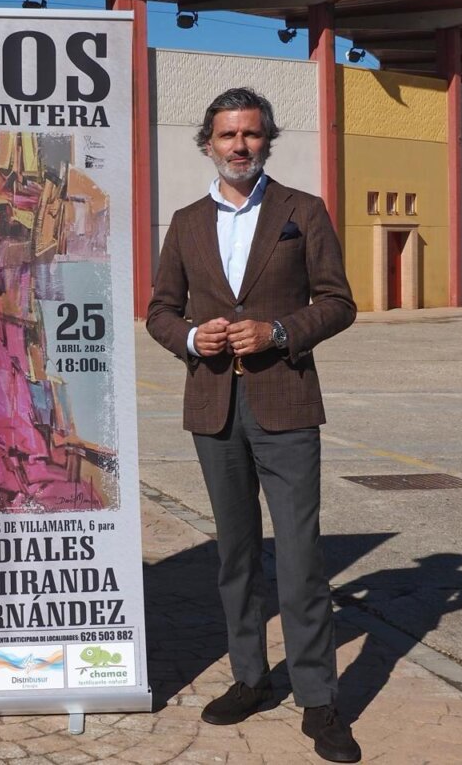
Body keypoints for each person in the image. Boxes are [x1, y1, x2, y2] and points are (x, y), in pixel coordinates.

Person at [146, 88, 360, 763]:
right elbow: (158, 309)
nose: (238, 145)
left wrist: (277, 330)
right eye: (226, 135)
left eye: (251, 134)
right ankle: (250, 677)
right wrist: (188, 339)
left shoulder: (303, 212)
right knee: (235, 554)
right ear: (206, 144)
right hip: (213, 408)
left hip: (286, 402)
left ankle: (320, 699)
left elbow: (338, 302)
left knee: (300, 558)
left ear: (268, 140)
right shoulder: (183, 222)